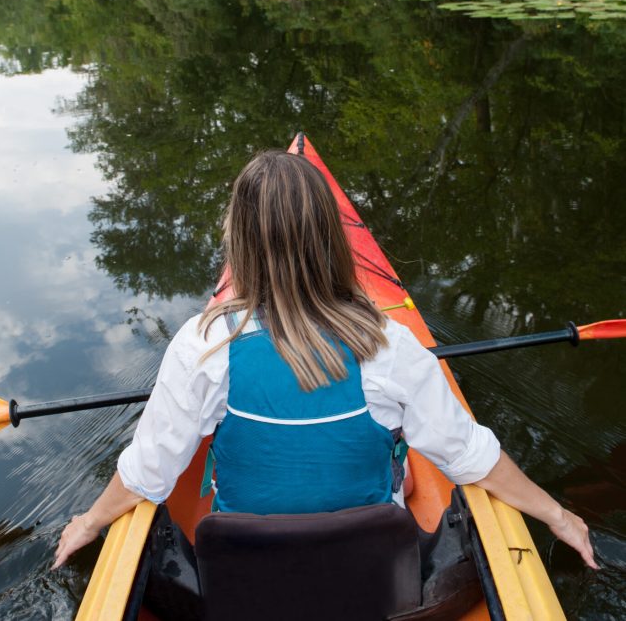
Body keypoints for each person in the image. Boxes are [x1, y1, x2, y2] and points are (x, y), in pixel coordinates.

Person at [53, 150, 597, 570]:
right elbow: (473, 459)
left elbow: (147, 474)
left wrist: (89, 521)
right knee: (404, 468)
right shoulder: (389, 344)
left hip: (248, 563)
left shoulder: (203, 346)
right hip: (370, 567)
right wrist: (559, 515)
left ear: (238, 240)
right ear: (330, 237)